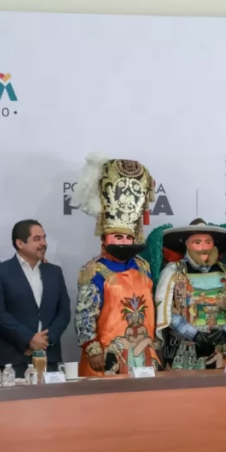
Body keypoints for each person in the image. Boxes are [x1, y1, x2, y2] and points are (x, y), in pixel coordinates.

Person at [73, 157, 161, 376]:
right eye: (118, 237)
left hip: (143, 353)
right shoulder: (94, 270)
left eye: (128, 238)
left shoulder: (143, 267)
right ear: (104, 238)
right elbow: (84, 315)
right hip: (107, 356)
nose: (124, 242)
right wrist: (92, 349)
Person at [155, 220, 226, 369]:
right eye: (197, 242)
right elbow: (164, 309)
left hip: (220, 349)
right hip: (182, 348)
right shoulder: (173, 272)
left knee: (222, 384)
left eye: (207, 242)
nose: (203, 248)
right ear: (187, 245)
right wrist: (194, 334)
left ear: (214, 245)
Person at [0, 220, 71, 378]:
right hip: (13, 358)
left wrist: (45, 340)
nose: (43, 243)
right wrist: (29, 339)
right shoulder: (0, 272)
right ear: (20, 243)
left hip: (48, 356)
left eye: (44, 238)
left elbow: (64, 312)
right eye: (37, 239)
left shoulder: (54, 272)